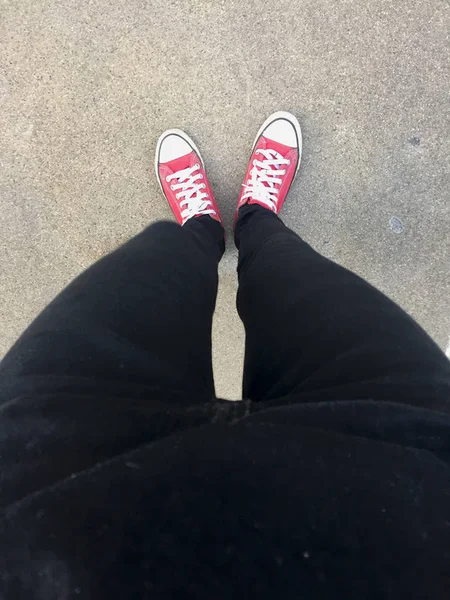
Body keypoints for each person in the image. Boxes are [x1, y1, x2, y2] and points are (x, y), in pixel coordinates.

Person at [0, 111, 449, 599]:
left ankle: (200, 228)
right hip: (403, 494)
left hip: (52, 497)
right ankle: (255, 220)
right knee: (292, 273)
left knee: (155, 261)